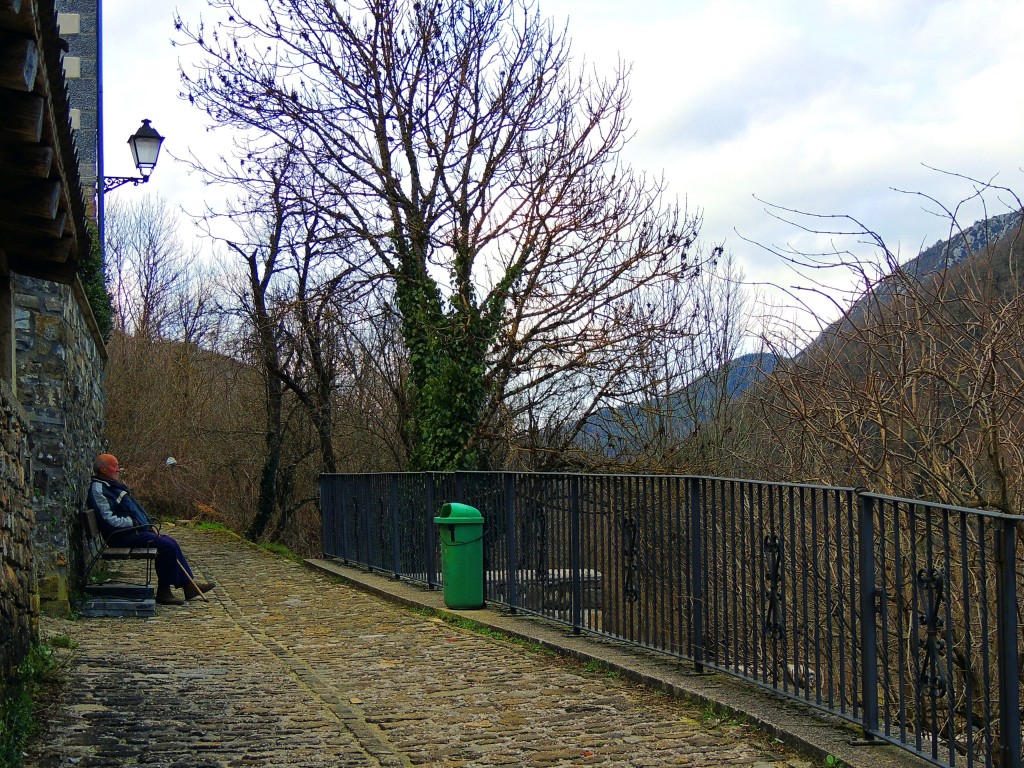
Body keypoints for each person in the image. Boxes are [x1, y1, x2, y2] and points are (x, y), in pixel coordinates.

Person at [87, 453, 215, 606]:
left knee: (169, 541)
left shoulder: (110, 485)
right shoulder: (99, 489)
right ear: (103, 469)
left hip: (132, 532)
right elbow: (108, 519)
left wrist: (145, 523)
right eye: (114, 466)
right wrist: (134, 523)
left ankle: (188, 586)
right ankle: (164, 592)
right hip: (120, 536)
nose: (118, 469)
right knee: (166, 546)